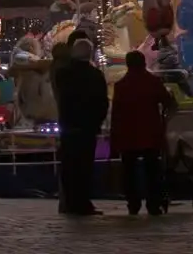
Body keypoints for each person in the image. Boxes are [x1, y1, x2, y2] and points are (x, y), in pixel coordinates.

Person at [110, 50, 175, 216]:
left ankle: (133, 203)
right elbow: (167, 101)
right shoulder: (153, 81)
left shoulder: (120, 85)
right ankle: (153, 204)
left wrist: (114, 140)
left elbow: (116, 114)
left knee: (129, 172)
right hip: (150, 133)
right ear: (144, 62)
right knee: (152, 170)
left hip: (128, 135)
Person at [55, 38, 109, 216]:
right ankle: (83, 202)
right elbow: (102, 103)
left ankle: (69, 202)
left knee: (68, 167)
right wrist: (97, 122)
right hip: (87, 129)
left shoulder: (63, 74)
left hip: (68, 127)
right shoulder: (95, 75)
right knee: (84, 167)